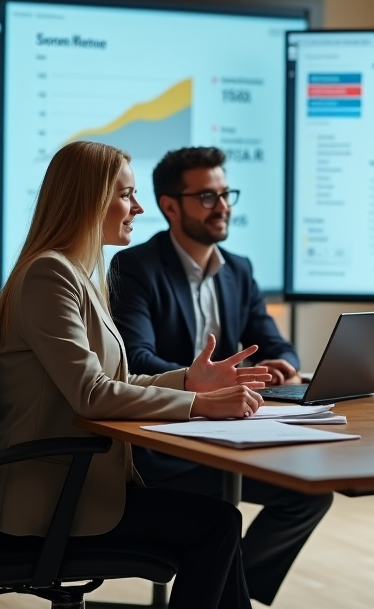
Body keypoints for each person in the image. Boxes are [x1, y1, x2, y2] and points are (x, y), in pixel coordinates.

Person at [0, 141, 268, 609]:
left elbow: (116, 382)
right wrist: (198, 405)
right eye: (126, 194)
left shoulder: (77, 273)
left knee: (219, 521)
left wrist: (189, 381)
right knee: (217, 524)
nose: (139, 207)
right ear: (89, 200)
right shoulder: (50, 275)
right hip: (50, 503)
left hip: (80, 483)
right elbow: (92, 395)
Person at [109, 146, 333, 606]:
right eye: (207, 197)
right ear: (170, 206)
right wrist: (212, 379)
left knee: (309, 493)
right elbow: (134, 359)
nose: (223, 206)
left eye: (226, 194)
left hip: (230, 433)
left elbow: (274, 341)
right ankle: (225, 597)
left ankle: (232, 595)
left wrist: (283, 364)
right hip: (168, 444)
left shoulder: (239, 270)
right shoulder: (136, 267)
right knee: (220, 516)